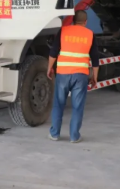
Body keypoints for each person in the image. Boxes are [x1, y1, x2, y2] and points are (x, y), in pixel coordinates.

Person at [47, 10, 99, 143]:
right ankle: (74, 136)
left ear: (73, 20)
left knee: (58, 104)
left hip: (63, 74)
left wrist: (49, 68)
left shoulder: (63, 31)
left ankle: (54, 134)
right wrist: (95, 77)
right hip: (80, 76)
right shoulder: (90, 34)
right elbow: (95, 58)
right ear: (85, 22)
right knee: (77, 106)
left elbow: (53, 52)